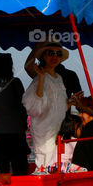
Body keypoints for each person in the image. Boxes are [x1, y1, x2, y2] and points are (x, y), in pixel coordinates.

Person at [22, 42, 69, 171]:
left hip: (59, 126)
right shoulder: (39, 78)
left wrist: (71, 103)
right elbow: (35, 106)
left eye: (58, 54)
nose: (55, 57)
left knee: (58, 160)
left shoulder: (59, 78)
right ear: (43, 56)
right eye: (51, 53)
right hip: (45, 128)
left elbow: (59, 103)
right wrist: (41, 78)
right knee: (46, 160)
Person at [0, 53, 30, 175]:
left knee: (1, 167)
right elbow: (23, 105)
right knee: (20, 167)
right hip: (14, 130)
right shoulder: (15, 82)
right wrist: (24, 124)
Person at [70, 94, 93, 171]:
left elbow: (81, 159)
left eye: (82, 111)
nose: (80, 115)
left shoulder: (90, 129)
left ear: (91, 112)